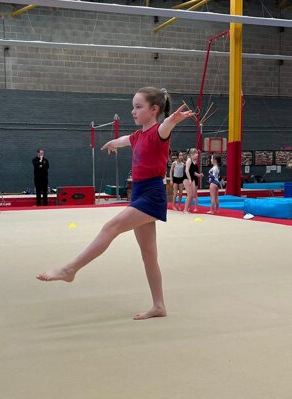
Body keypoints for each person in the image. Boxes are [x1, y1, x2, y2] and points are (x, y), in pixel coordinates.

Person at [37, 87, 193, 319]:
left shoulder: (158, 132)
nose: (133, 111)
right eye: (133, 107)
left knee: (110, 227)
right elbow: (123, 140)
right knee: (149, 255)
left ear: (154, 110)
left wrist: (172, 120)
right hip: (139, 193)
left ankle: (70, 269)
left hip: (151, 195)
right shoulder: (138, 136)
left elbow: (166, 126)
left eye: (138, 107)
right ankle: (159, 306)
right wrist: (111, 142)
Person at [183, 148, 202, 214]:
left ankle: (188, 208)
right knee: (189, 195)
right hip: (187, 179)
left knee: (193, 194)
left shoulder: (194, 161)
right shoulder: (189, 160)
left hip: (192, 179)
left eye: (197, 153)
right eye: (196, 153)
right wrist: (189, 179)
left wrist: (199, 175)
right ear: (191, 154)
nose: (197, 155)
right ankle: (185, 209)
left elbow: (193, 172)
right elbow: (186, 170)